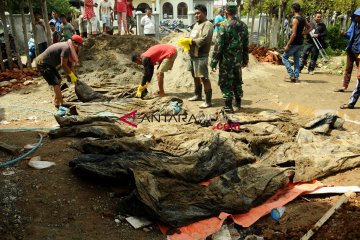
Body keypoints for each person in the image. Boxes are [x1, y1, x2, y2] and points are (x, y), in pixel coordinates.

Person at [210, 2, 249, 113]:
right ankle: (238, 102)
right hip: (238, 60)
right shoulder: (243, 25)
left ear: (226, 11)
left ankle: (228, 106)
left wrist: (213, 62)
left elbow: (219, 46)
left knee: (226, 81)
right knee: (237, 80)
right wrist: (245, 59)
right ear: (236, 11)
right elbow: (246, 45)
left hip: (226, 61)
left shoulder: (224, 26)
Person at [179, 4, 214, 108]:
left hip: (201, 55)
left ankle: (208, 101)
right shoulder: (196, 25)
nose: (196, 15)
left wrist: (191, 41)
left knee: (204, 77)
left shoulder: (207, 25)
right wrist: (186, 41)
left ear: (204, 13)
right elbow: (192, 36)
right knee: (194, 75)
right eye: (195, 13)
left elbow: (205, 39)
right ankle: (198, 95)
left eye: (198, 13)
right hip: (192, 55)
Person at [35, 35, 82, 110]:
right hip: (42, 63)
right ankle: (61, 103)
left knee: (59, 80)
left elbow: (70, 64)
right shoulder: (66, 48)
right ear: (71, 41)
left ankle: (56, 100)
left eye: (79, 44)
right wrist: (71, 75)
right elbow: (63, 64)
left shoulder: (72, 49)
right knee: (56, 83)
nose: (77, 45)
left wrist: (73, 76)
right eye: (75, 43)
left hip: (49, 63)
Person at [282, 3, 311, 82]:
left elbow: (294, 34)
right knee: (296, 60)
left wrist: (287, 45)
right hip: (300, 42)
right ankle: (296, 77)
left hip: (294, 43)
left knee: (284, 58)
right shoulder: (303, 18)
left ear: (293, 10)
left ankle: (291, 75)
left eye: (291, 9)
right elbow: (309, 27)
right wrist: (303, 33)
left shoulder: (295, 19)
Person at [340, 8, 360, 109]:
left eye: (358, 16)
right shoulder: (354, 24)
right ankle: (345, 86)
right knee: (348, 68)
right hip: (351, 49)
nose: (356, 17)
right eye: (355, 16)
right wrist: (343, 34)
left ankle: (351, 102)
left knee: (359, 76)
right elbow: (349, 35)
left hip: (359, 52)